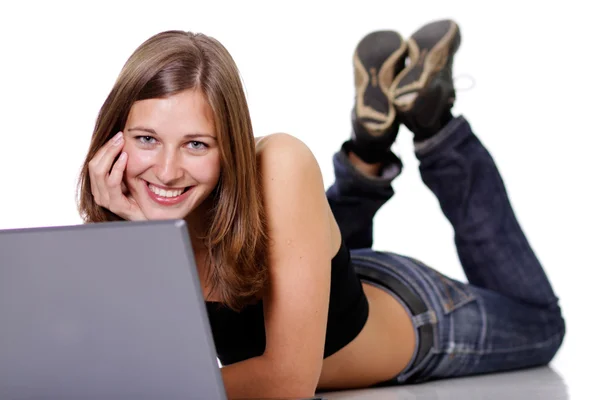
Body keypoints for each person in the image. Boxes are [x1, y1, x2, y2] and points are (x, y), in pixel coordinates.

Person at [77, 19, 565, 399]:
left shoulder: (280, 160)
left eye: (197, 145)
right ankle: (368, 154)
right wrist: (137, 236)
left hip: (421, 318)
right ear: (116, 136)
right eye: (146, 139)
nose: (165, 171)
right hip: (320, 277)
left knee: (544, 324)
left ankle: (435, 126)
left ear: (231, 146)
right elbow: (161, 358)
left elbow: (287, 383)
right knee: (283, 220)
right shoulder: (130, 210)